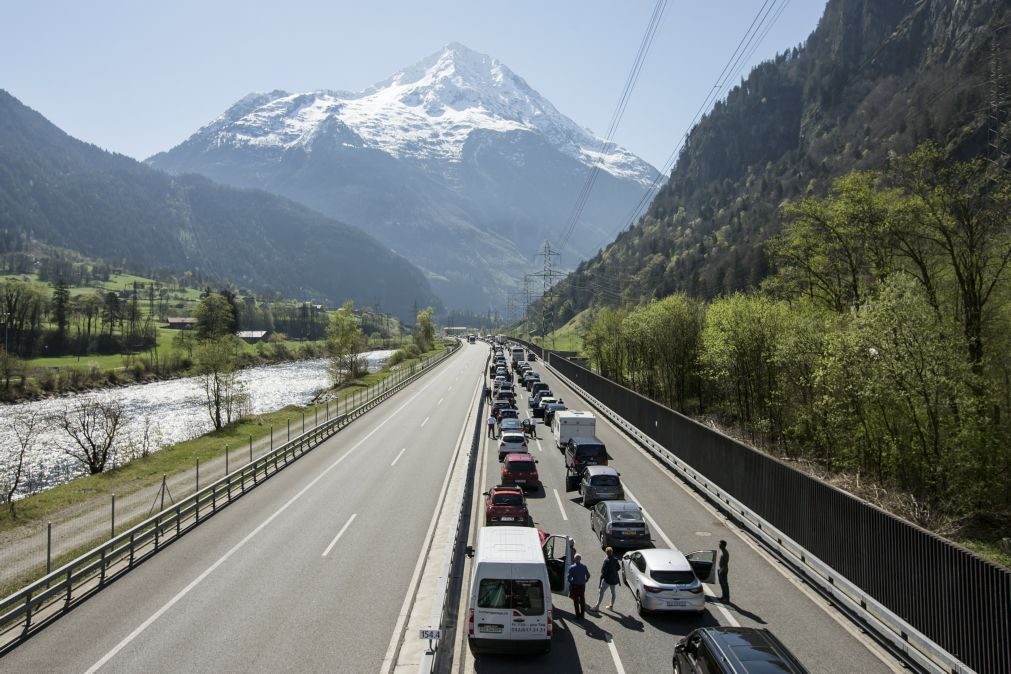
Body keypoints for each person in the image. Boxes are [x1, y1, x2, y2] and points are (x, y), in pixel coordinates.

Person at [592, 547, 620, 612]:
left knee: (601, 592)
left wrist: (601, 580)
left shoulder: (606, 561)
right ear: (612, 552)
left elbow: (603, 571)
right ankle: (611, 606)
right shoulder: (615, 559)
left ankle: (597, 606)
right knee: (613, 593)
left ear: (606, 553)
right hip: (614, 579)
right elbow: (618, 568)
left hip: (607, 580)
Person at [567, 553, 591, 619]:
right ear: (580, 559)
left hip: (575, 586)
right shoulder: (584, 566)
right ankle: (582, 614)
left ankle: (577, 614)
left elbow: (569, 578)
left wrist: (572, 582)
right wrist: (585, 581)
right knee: (582, 599)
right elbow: (588, 575)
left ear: (574, 559)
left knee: (576, 600)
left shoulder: (571, 568)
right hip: (582, 585)